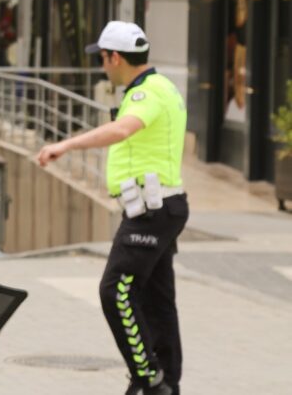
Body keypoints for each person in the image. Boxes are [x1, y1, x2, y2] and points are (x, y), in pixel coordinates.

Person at [37, 21, 188, 395]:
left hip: (151, 213)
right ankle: (166, 380)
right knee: (156, 296)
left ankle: (148, 377)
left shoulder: (145, 94)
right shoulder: (160, 86)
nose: (103, 66)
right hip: (159, 208)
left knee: (115, 290)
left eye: (103, 58)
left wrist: (65, 146)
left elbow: (122, 130)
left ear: (115, 57)